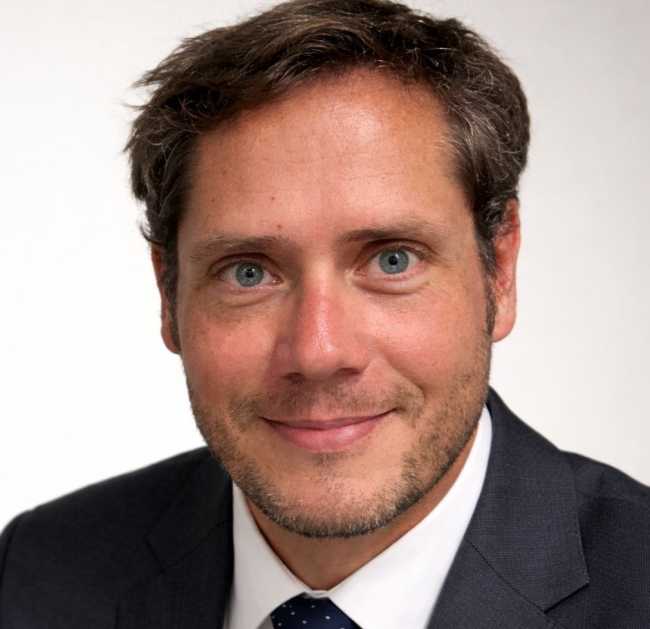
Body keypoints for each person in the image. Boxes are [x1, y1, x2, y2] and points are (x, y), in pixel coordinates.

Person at [1, 0, 648, 626]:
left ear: (499, 271)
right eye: (248, 272)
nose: (318, 352)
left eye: (392, 260)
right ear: (168, 294)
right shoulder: (36, 574)